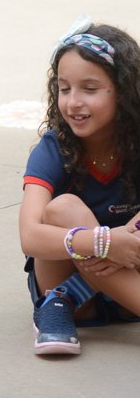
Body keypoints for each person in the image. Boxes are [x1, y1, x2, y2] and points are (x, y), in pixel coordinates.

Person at [20, 18, 140, 356]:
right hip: (73, 297)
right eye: (64, 88)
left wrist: (127, 239)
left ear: (123, 92)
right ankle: (61, 300)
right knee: (63, 208)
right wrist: (104, 243)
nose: (73, 102)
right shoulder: (53, 149)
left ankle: (66, 300)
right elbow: (30, 236)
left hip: (131, 273)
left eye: (89, 89)